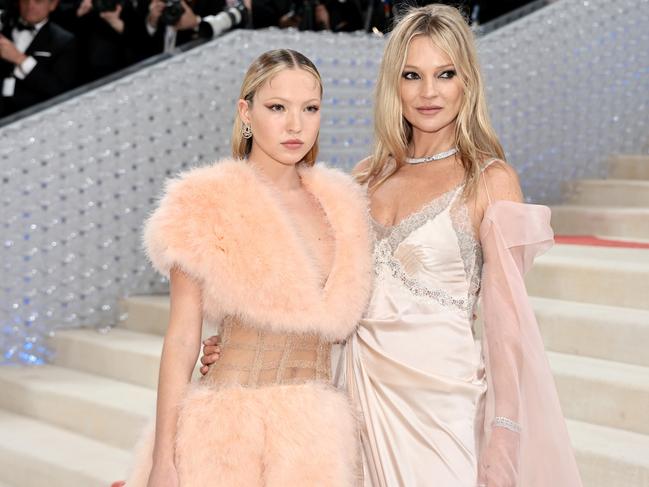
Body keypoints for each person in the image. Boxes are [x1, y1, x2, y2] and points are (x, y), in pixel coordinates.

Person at [201, 5, 582, 487]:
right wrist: (237, 344)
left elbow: (506, 326)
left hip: (440, 410)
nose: (428, 92)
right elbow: (318, 293)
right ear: (392, 83)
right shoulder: (363, 179)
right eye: (412, 75)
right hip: (351, 397)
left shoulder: (490, 180)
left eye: (445, 74)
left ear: (468, 81)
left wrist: (505, 428)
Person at [123, 48, 373, 486]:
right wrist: (164, 458)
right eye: (277, 107)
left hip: (316, 439)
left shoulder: (345, 204)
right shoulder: (204, 201)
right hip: (226, 433)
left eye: (309, 108)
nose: (296, 125)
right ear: (246, 112)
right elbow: (182, 338)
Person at [0, 0, 78, 117]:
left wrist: (20, 59)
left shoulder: (64, 41)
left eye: (38, 1)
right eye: (25, 1)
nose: (30, 6)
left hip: (34, 115)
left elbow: (59, 89)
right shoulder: (4, 30)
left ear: (52, 4)